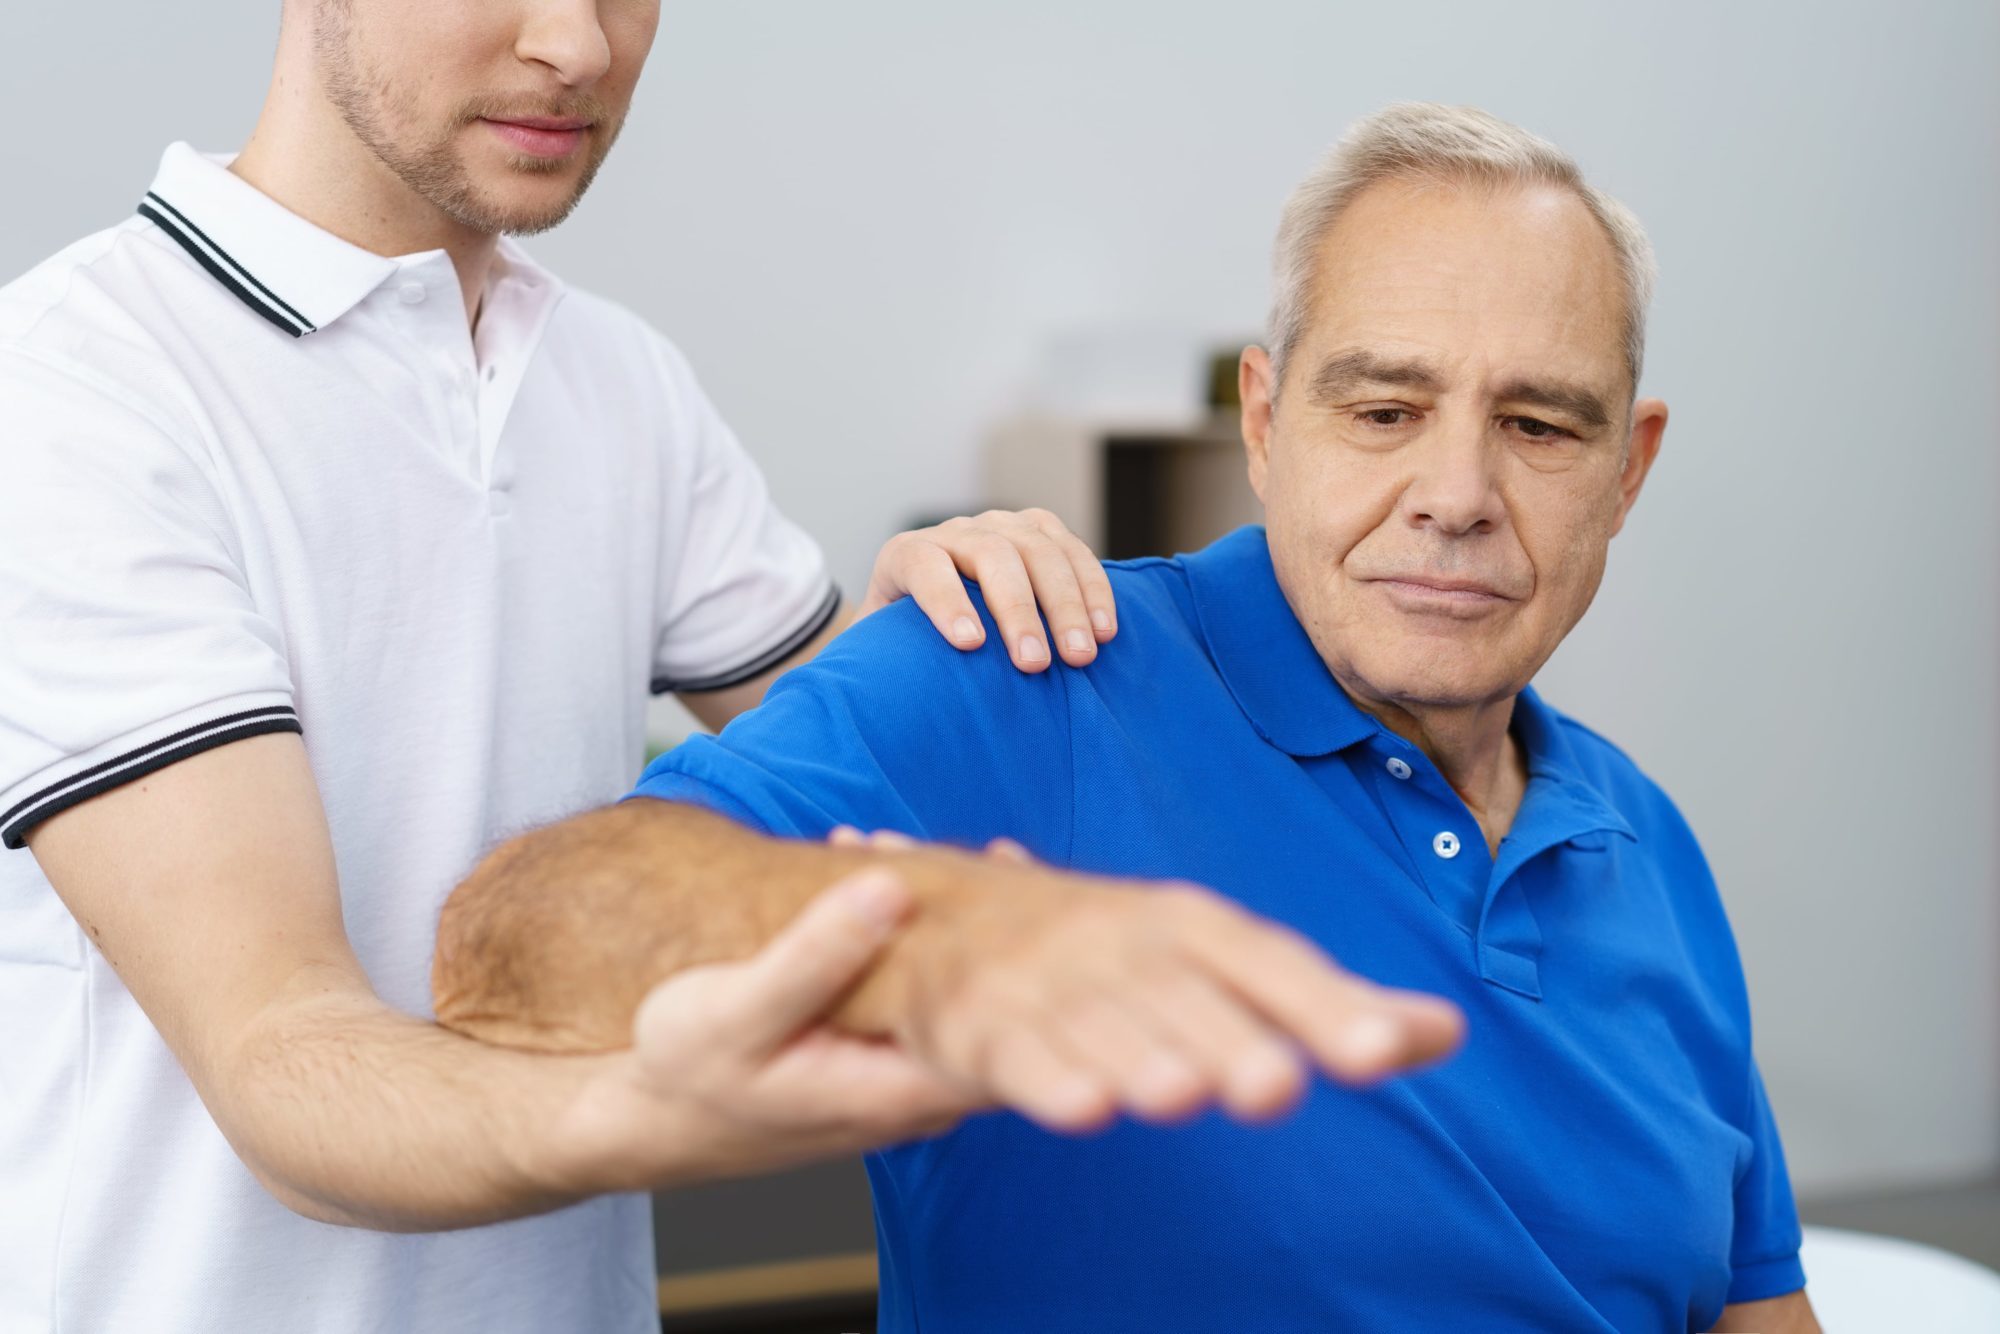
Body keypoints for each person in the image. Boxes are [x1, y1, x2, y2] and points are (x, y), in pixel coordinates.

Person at [435, 104, 1821, 1332]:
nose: (1456, 491)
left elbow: (1754, 1304)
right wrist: (947, 933)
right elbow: (522, 931)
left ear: (1627, 470)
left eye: (1540, 426)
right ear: (1266, 426)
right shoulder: (1028, 673)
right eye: (1386, 409)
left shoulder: (1648, 843)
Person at [0, 2, 1167, 1331]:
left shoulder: (615, 379)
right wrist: (650, 1107)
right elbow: (279, 1055)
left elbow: (856, 771)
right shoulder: (71, 395)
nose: (581, 46)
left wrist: (927, 630)